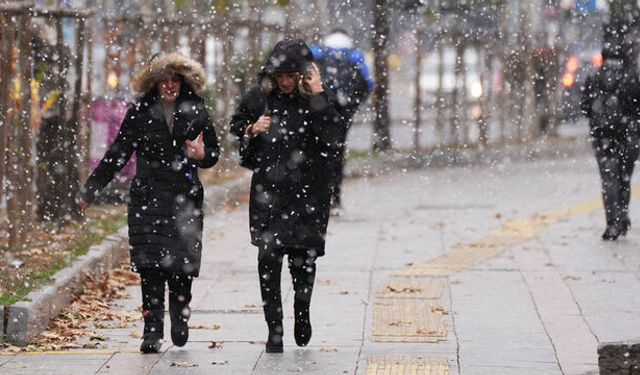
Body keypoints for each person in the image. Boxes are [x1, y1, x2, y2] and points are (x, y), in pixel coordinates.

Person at [79, 52, 220, 353]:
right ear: (153, 83)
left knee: (182, 267)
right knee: (151, 267)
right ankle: (152, 329)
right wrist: (91, 189)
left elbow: (213, 153)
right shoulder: (139, 112)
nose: (169, 86)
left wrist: (200, 155)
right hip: (148, 198)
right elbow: (118, 153)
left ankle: (180, 315)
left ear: (183, 82)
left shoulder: (197, 110)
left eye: (174, 80)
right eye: (163, 80)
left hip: (185, 199)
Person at [230, 38, 344, 353]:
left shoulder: (320, 99)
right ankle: (274, 328)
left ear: (304, 73)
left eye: (293, 75)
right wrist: (252, 130)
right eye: (282, 75)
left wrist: (319, 92)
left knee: (302, 261)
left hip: (309, 194)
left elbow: (335, 137)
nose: (287, 81)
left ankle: (302, 311)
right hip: (270, 193)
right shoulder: (261, 98)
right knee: (267, 259)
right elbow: (237, 131)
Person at [581, 39, 640, 240]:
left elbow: (585, 108)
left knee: (608, 179)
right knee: (624, 178)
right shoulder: (632, 79)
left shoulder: (594, 77)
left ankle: (612, 223)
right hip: (628, 137)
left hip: (603, 136)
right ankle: (623, 216)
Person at [310, 29, 373, 215]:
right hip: (343, 112)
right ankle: (335, 198)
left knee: (314, 151)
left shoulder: (317, 52)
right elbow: (367, 84)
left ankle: (315, 197)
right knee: (337, 153)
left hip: (318, 108)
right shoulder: (354, 56)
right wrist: (352, 104)